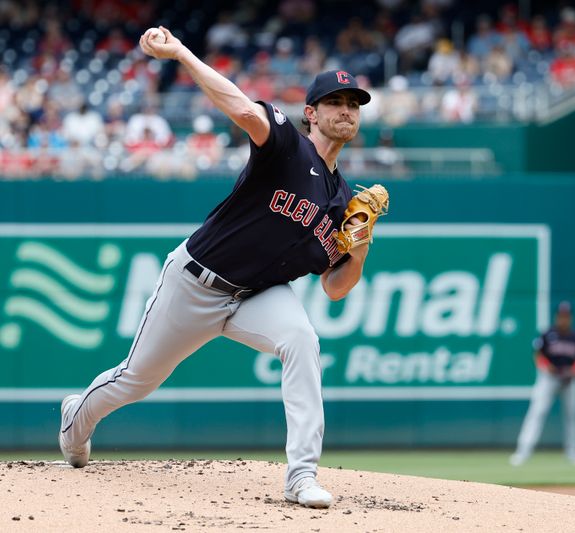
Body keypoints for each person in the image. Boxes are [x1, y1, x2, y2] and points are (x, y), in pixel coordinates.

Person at [58, 25, 375, 510]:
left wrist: (361, 246)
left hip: (258, 294)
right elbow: (244, 110)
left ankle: (301, 476)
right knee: (137, 381)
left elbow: (335, 288)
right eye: (336, 102)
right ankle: (75, 419)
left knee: (302, 341)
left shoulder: (341, 199)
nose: (346, 111)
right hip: (196, 280)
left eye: (353, 105)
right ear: (312, 113)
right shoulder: (289, 145)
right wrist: (181, 51)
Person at [510, 301, 575, 467]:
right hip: (548, 378)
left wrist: (574, 371)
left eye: (566, 316)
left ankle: (574, 453)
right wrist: (549, 368)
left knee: (572, 415)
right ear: (556, 317)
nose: (563, 319)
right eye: (561, 316)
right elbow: (538, 355)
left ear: (571, 318)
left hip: (570, 379)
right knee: (537, 412)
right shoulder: (547, 335)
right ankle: (523, 451)